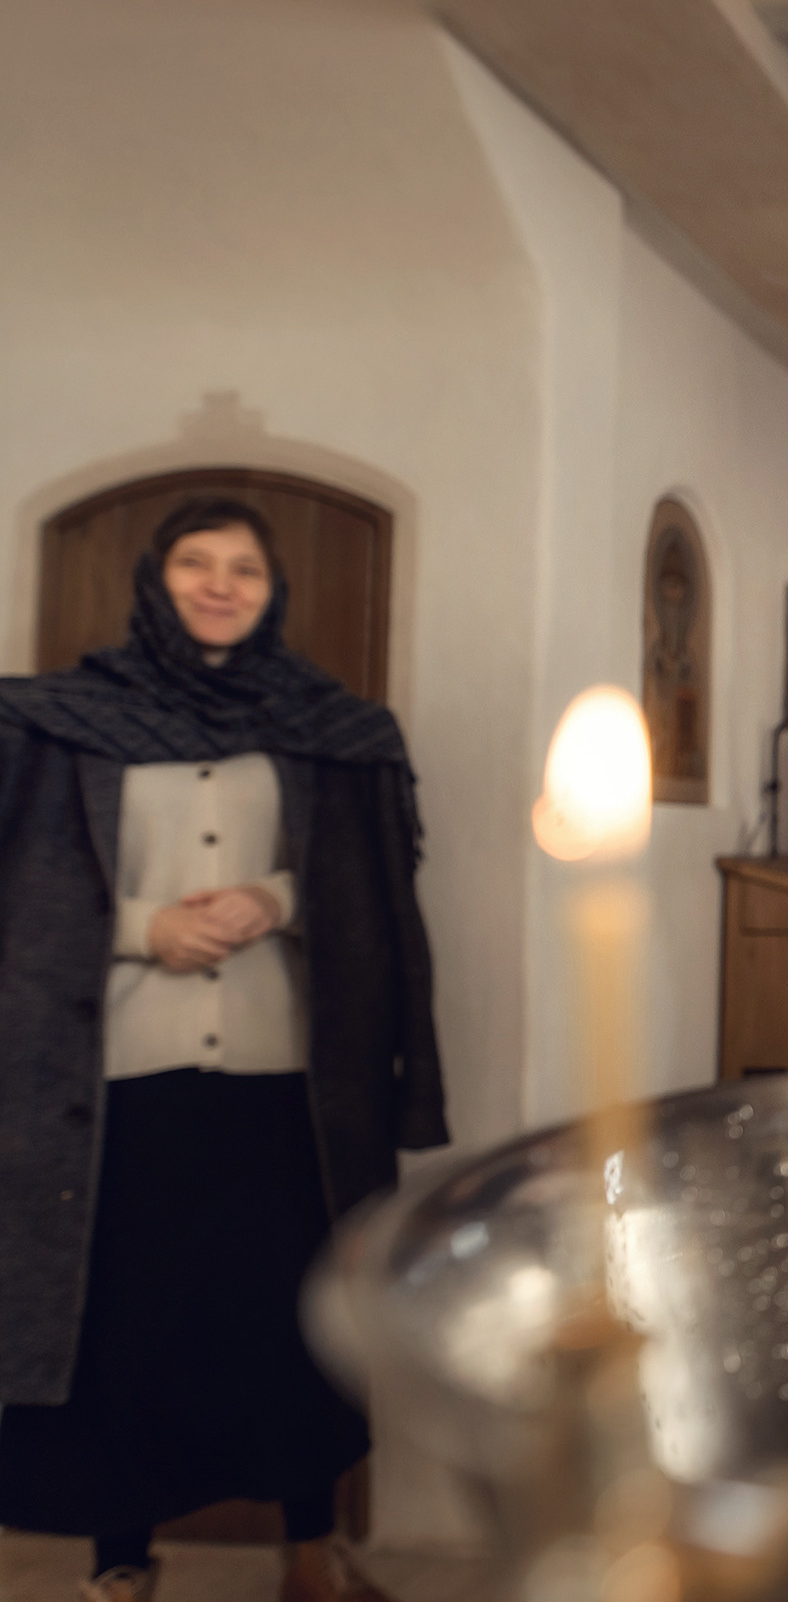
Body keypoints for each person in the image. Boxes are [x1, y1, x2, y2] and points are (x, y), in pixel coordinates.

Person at [0, 498, 446, 1602]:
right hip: (112, 1096)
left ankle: (310, 1552)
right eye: (195, 563)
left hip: (286, 1090)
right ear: (155, 583)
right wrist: (143, 927)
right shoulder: (56, 719)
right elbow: (20, 888)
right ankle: (120, 1563)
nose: (219, 583)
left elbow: (378, 883)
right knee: (121, 1339)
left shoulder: (334, 727)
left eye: (243, 567)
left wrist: (274, 895)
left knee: (290, 1331)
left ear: (270, 589)